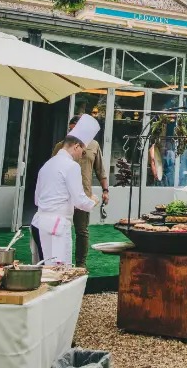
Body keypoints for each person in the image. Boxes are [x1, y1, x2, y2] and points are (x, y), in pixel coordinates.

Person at [32, 114, 99, 266]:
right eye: (82, 152)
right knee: (59, 273)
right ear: (76, 146)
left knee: (43, 269)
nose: (81, 156)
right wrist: (93, 201)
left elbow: (37, 199)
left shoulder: (48, 164)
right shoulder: (72, 166)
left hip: (38, 222)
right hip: (56, 227)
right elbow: (80, 201)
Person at [50, 115, 108, 268]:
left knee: (81, 231)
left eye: (74, 129)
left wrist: (105, 190)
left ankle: (81, 264)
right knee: (61, 229)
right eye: (70, 130)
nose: (71, 132)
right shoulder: (60, 147)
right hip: (62, 197)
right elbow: (52, 170)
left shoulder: (94, 145)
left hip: (84, 195)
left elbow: (100, 170)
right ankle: (59, 263)